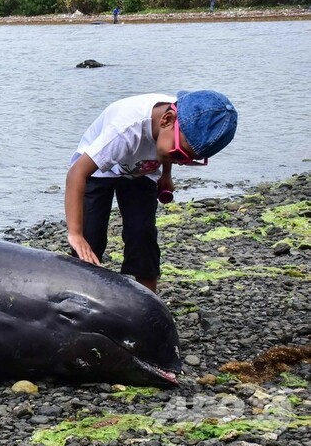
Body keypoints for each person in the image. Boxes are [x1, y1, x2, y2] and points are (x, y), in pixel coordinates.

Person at [64, 90, 237, 293]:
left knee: (142, 234)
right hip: (98, 169)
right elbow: (77, 174)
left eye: (189, 160)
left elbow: (169, 149)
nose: (181, 162)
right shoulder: (124, 131)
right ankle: (79, 295)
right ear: (166, 120)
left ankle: (146, 301)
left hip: (140, 169)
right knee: (90, 236)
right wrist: (75, 234)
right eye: (180, 155)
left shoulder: (179, 123)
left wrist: (166, 175)